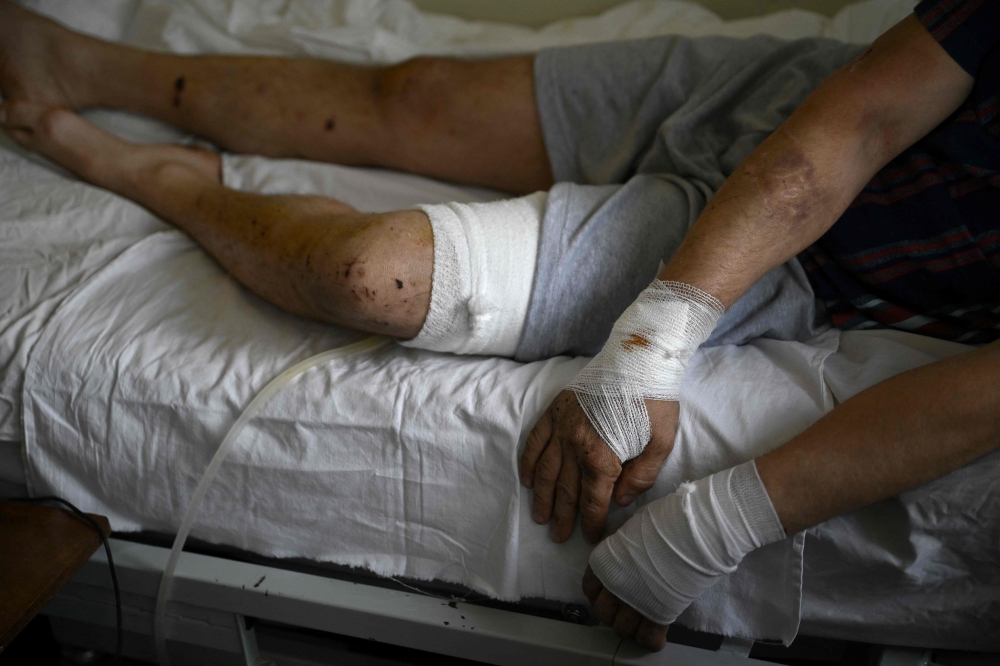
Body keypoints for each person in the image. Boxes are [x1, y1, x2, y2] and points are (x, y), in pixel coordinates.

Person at [2, 0, 999, 652]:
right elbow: (855, 125)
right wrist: (646, 347)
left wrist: (715, 523)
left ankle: (166, 177)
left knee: (365, 274)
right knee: (416, 96)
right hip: (795, 112)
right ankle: (82, 59)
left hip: (814, 271)